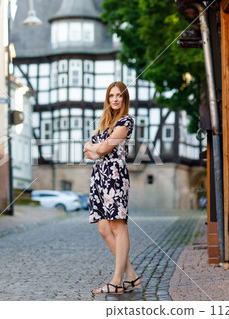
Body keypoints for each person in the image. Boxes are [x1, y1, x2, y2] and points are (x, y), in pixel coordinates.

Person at [83, 81, 141, 294]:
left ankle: (117, 281)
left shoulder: (126, 121)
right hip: (98, 177)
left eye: (119, 95)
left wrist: (95, 148)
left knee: (118, 226)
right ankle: (132, 276)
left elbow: (104, 148)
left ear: (124, 99)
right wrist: (96, 149)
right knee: (103, 228)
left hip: (115, 176)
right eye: (111, 95)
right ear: (107, 99)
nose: (115, 99)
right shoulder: (104, 124)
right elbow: (88, 152)